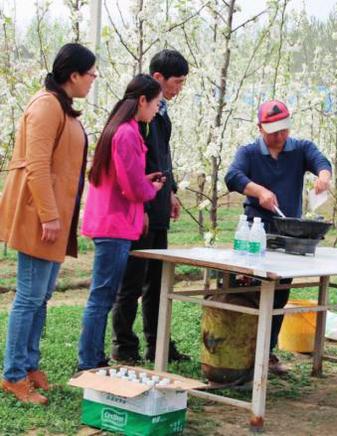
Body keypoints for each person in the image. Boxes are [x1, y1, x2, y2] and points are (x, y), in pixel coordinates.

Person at [0, 43, 97, 404]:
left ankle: (28, 365)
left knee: (41, 297)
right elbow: (37, 166)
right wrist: (50, 215)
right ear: (73, 75)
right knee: (28, 297)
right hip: (39, 217)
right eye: (90, 73)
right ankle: (12, 374)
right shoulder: (45, 106)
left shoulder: (61, 106)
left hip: (54, 218)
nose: (93, 79)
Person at [225, 99, 332, 374]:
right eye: (273, 131)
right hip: (254, 232)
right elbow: (233, 176)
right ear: (260, 128)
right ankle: (240, 351)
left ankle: (267, 353)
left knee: (279, 295)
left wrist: (323, 175)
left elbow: (321, 160)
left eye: (284, 130)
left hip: (287, 234)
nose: (280, 136)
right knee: (247, 292)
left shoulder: (300, 149)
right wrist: (259, 191)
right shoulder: (248, 153)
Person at [77, 74, 165, 370]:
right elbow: (131, 187)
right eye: (155, 104)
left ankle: (92, 357)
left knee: (103, 294)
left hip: (111, 222)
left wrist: (143, 180)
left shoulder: (119, 128)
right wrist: (150, 188)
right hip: (114, 226)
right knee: (102, 296)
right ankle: (89, 361)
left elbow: (123, 178)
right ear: (142, 100)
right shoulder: (128, 133)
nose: (155, 110)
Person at [111, 50, 189, 364]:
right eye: (177, 82)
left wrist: (170, 191)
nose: (179, 88)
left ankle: (158, 344)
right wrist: (142, 206)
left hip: (157, 206)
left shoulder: (161, 112)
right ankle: (124, 345)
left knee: (158, 281)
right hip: (140, 209)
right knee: (133, 280)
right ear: (158, 78)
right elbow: (138, 165)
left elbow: (162, 158)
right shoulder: (139, 115)